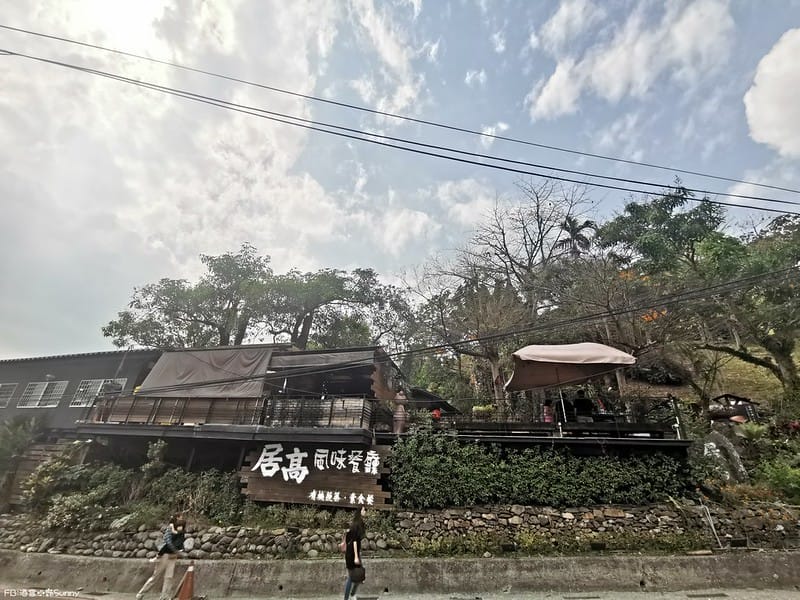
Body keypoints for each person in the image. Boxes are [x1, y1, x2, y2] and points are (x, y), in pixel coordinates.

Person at [136, 514, 186, 600]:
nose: (181, 519)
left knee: (169, 577)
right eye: (180, 518)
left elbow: (180, 543)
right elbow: (168, 542)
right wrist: (176, 550)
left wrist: (179, 551)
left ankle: (164, 596)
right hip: (165, 555)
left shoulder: (181, 531)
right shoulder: (170, 529)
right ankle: (141, 593)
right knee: (156, 576)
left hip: (173, 556)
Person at [343, 507, 366, 600]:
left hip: (354, 553)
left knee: (359, 576)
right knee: (352, 577)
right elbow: (355, 541)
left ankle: (352, 594)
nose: (365, 511)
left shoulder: (359, 523)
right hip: (351, 554)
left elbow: (349, 536)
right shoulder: (356, 524)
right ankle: (347, 597)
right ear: (360, 512)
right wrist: (356, 556)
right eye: (364, 510)